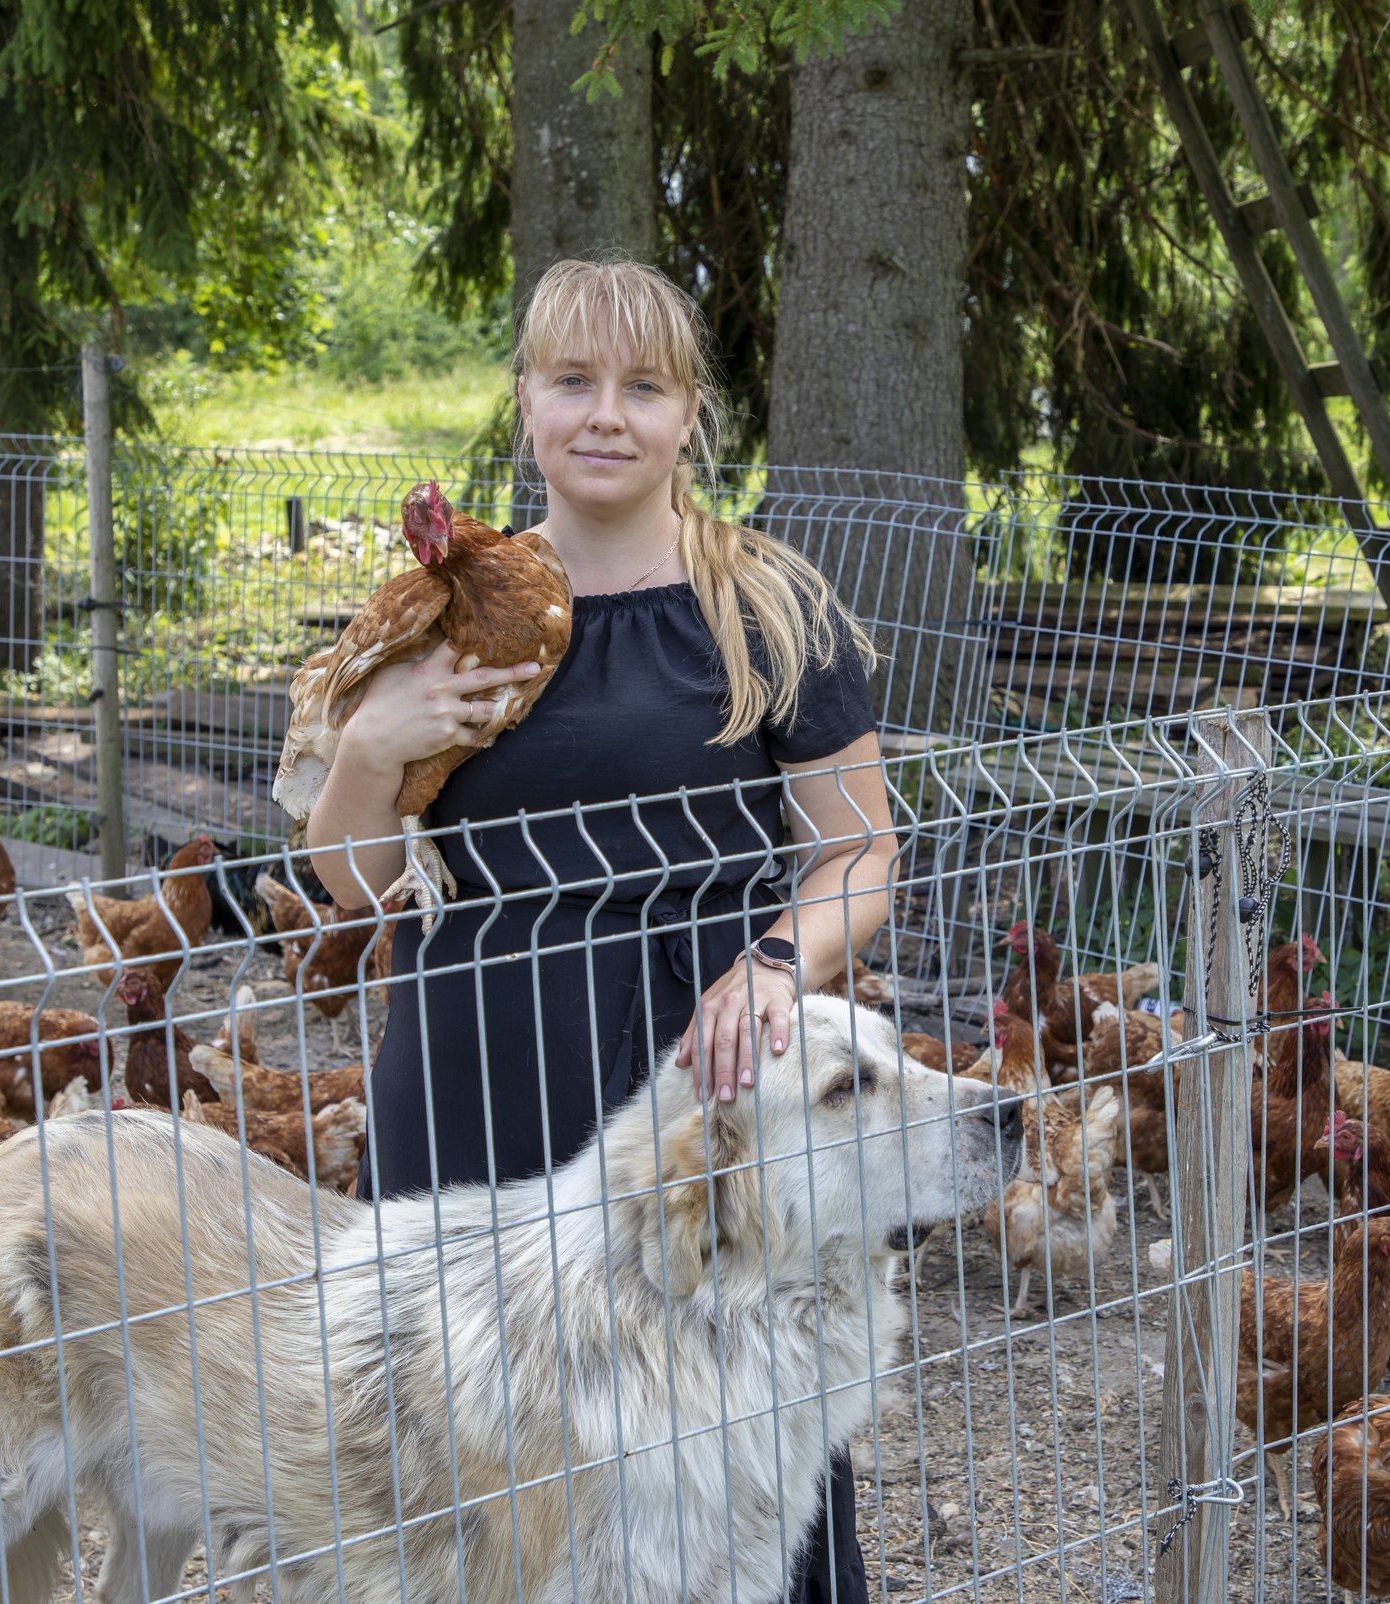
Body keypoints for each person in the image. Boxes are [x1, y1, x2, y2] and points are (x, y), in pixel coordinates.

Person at [305, 256, 898, 1602]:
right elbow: (349, 884)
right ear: (527, 404)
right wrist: (373, 748)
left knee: (739, 1415)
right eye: (573, 381)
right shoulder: (453, 608)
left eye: (643, 386)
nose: (605, 414)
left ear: (690, 415)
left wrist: (774, 965)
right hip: (481, 1065)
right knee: (471, 1439)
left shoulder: (766, 609)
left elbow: (862, 853)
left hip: (709, 1074)